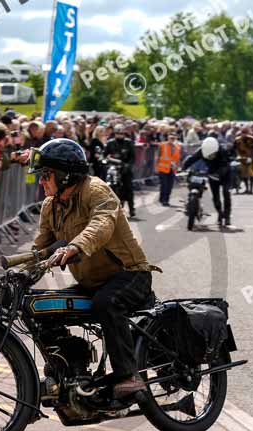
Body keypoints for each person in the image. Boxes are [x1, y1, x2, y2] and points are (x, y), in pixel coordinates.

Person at [31, 139, 158, 398]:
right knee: (42, 306)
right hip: (91, 282)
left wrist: (74, 247)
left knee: (106, 303)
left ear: (65, 175)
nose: (41, 182)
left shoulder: (97, 191)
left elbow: (101, 224)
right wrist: (15, 272)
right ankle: (66, 369)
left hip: (130, 274)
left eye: (46, 175)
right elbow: (40, 248)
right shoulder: (50, 205)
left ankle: (128, 376)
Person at [182, 137, 233, 227]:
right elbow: (192, 159)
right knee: (215, 197)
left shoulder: (223, 151)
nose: (210, 157)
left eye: (212, 154)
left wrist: (218, 174)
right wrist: (183, 168)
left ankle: (227, 216)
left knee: (226, 193)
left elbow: (226, 166)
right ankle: (220, 215)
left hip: (226, 175)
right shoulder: (201, 151)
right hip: (212, 174)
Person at [104, 124, 136, 218]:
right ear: (115, 133)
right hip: (113, 168)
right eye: (118, 133)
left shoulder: (128, 142)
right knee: (111, 187)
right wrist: (106, 162)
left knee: (128, 188)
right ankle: (112, 208)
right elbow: (105, 155)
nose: (119, 135)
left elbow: (132, 157)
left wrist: (128, 165)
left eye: (121, 133)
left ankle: (131, 209)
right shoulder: (110, 143)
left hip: (125, 168)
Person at [156, 132, 181, 206]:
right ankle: (163, 200)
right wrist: (156, 167)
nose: (172, 139)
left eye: (173, 138)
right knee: (164, 185)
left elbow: (177, 159)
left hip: (172, 169)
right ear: (168, 138)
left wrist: (177, 167)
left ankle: (166, 199)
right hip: (163, 168)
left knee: (169, 186)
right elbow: (157, 156)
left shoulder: (177, 146)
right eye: (171, 138)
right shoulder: (162, 145)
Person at [235, 128, 253, 194]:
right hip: (242, 158)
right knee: (244, 174)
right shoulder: (237, 140)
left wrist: (252, 157)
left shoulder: (251, 139)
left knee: (251, 174)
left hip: (251, 158)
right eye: (243, 133)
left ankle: (251, 189)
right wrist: (237, 156)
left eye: (245, 133)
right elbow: (235, 148)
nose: (244, 134)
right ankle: (247, 188)